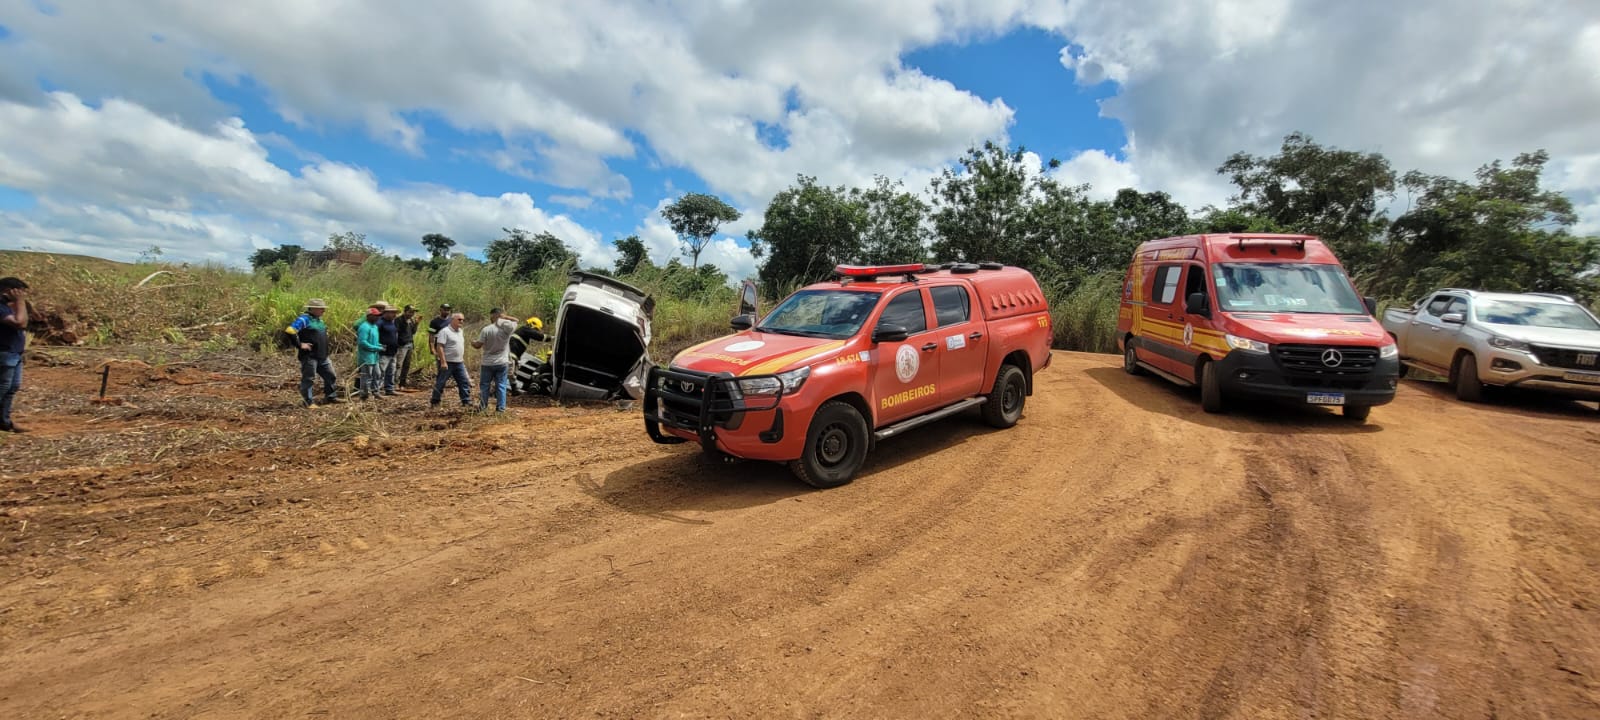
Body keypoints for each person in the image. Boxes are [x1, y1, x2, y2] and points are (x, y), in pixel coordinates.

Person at [285, 297, 341, 408]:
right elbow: (290, 330)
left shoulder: (319, 320)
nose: (323, 311)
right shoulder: (304, 319)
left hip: (322, 355)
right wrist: (300, 344)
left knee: (330, 375)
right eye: (321, 309)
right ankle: (308, 402)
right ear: (313, 309)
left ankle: (331, 396)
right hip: (310, 356)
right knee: (309, 378)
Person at [1, 277, 32, 432]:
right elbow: (20, 323)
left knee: (12, 387)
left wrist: (21, 304)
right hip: (4, 353)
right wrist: (19, 302)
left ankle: (3, 422)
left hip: (14, 353)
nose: (22, 295)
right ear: (9, 290)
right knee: (2, 388)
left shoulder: (7, 307)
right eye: (20, 292)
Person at [472, 308, 518, 412]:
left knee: (485, 385)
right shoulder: (507, 330)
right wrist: (505, 317)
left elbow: (478, 345)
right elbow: (516, 320)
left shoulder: (486, 329)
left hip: (487, 363)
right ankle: (501, 409)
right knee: (501, 385)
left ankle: (483, 406)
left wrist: (473, 343)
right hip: (502, 362)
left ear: (492, 316)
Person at [430, 312, 472, 407]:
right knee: (441, 382)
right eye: (459, 319)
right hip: (447, 362)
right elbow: (439, 347)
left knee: (463, 381)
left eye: (463, 320)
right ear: (452, 320)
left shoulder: (460, 331)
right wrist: (443, 362)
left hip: (459, 362)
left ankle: (466, 401)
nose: (461, 321)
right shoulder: (444, 331)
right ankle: (435, 401)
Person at [507, 316, 548, 396]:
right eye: (536, 329)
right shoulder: (525, 329)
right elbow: (539, 336)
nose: (536, 331)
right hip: (510, 355)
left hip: (513, 356)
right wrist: (552, 337)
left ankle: (514, 391)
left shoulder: (524, 333)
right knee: (509, 373)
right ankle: (497, 389)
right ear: (532, 324)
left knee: (512, 374)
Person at [355, 307, 384, 400]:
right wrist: (377, 348)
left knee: (377, 374)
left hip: (374, 356)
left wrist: (380, 345)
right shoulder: (364, 327)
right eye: (375, 316)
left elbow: (373, 341)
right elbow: (362, 342)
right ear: (369, 316)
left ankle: (375, 392)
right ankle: (364, 395)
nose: (377, 318)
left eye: (378, 316)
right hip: (366, 357)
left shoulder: (374, 327)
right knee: (366, 376)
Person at [394, 305, 420, 392]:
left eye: (413, 312)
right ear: (405, 311)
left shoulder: (411, 320)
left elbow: (413, 332)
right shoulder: (399, 320)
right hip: (402, 345)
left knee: (406, 365)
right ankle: (395, 383)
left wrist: (416, 323)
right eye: (410, 312)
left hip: (410, 344)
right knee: (398, 365)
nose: (412, 314)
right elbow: (396, 332)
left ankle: (402, 384)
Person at [377, 303, 400, 396]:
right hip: (383, 352)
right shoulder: (380, 323)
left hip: (393, 352)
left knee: (391, 371)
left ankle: (389, 389)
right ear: (385, 313)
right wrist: (379, 346)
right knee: (380, 372)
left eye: (395, 313)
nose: (394, 315)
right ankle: (376, 390)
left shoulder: (392, 322)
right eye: (392, 313)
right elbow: (375, 336)